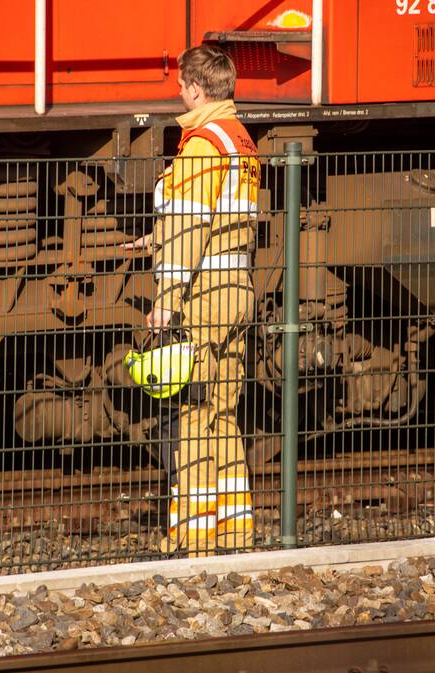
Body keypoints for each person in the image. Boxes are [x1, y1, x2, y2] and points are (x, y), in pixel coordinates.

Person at [124, 45, 260, 557]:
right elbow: (220, 220)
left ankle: (195, 538)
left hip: (203, 295)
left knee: (194, 415)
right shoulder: (240, 141)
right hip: (237, 289)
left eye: (182, 86)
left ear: (197, 89)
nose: (178, 93)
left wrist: (167, 299)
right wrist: (154, 240)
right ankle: (236, 527)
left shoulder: (202, 145)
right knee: (223, 412)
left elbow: (189, 228)